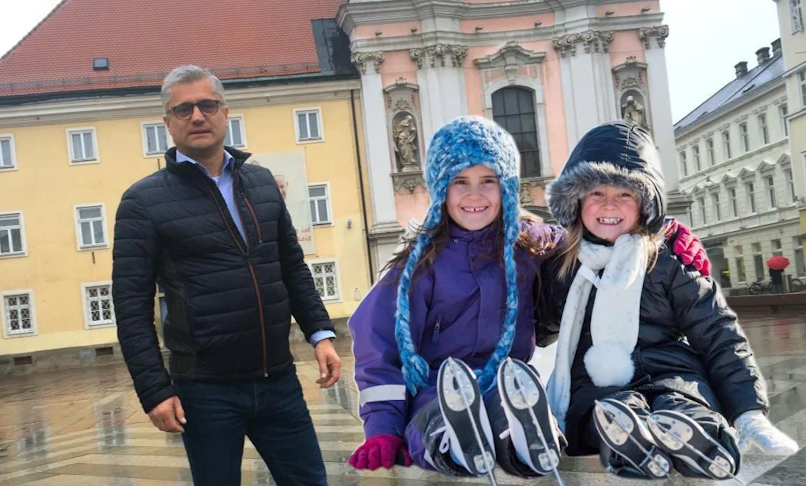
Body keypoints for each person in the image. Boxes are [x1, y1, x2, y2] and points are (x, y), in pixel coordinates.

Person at [348, 117, 709, 481]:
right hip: (440, 386)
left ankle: (529, 436)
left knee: (510, 405)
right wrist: (382, 427)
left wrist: (660, 235)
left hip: (510, 381)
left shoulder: (530, 242)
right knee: (436, 413)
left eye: (488, 181)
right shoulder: (420, 264)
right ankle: (451, 439)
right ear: (441, 189)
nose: (475, 195)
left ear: (506, 186)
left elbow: (594, 235)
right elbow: (377, 343)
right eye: (460, 182)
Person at [112, 65, 340, 486]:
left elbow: (290, 266)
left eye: (207, 105)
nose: (197, 116)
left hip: (278, 378)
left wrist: (320, 333)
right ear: (168, 123)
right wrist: (154, 390)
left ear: (225, 112)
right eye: (183, 109)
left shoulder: (262, 183)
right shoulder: (143, 202)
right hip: (205, 390)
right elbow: (130, 306)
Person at [538, 121, 798, 481]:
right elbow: (541, 325)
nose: (609, 204)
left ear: (645, 205)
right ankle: (627, 435)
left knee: (681, 399)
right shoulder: (564, 265)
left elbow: (718, 332)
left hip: (670, 370)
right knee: (605, 409)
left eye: (625, 194)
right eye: (597, 192)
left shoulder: (668, 259)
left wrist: (748, 409)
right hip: (594, 383)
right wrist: (523, 262)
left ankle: (699, 436)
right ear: (577, 202)